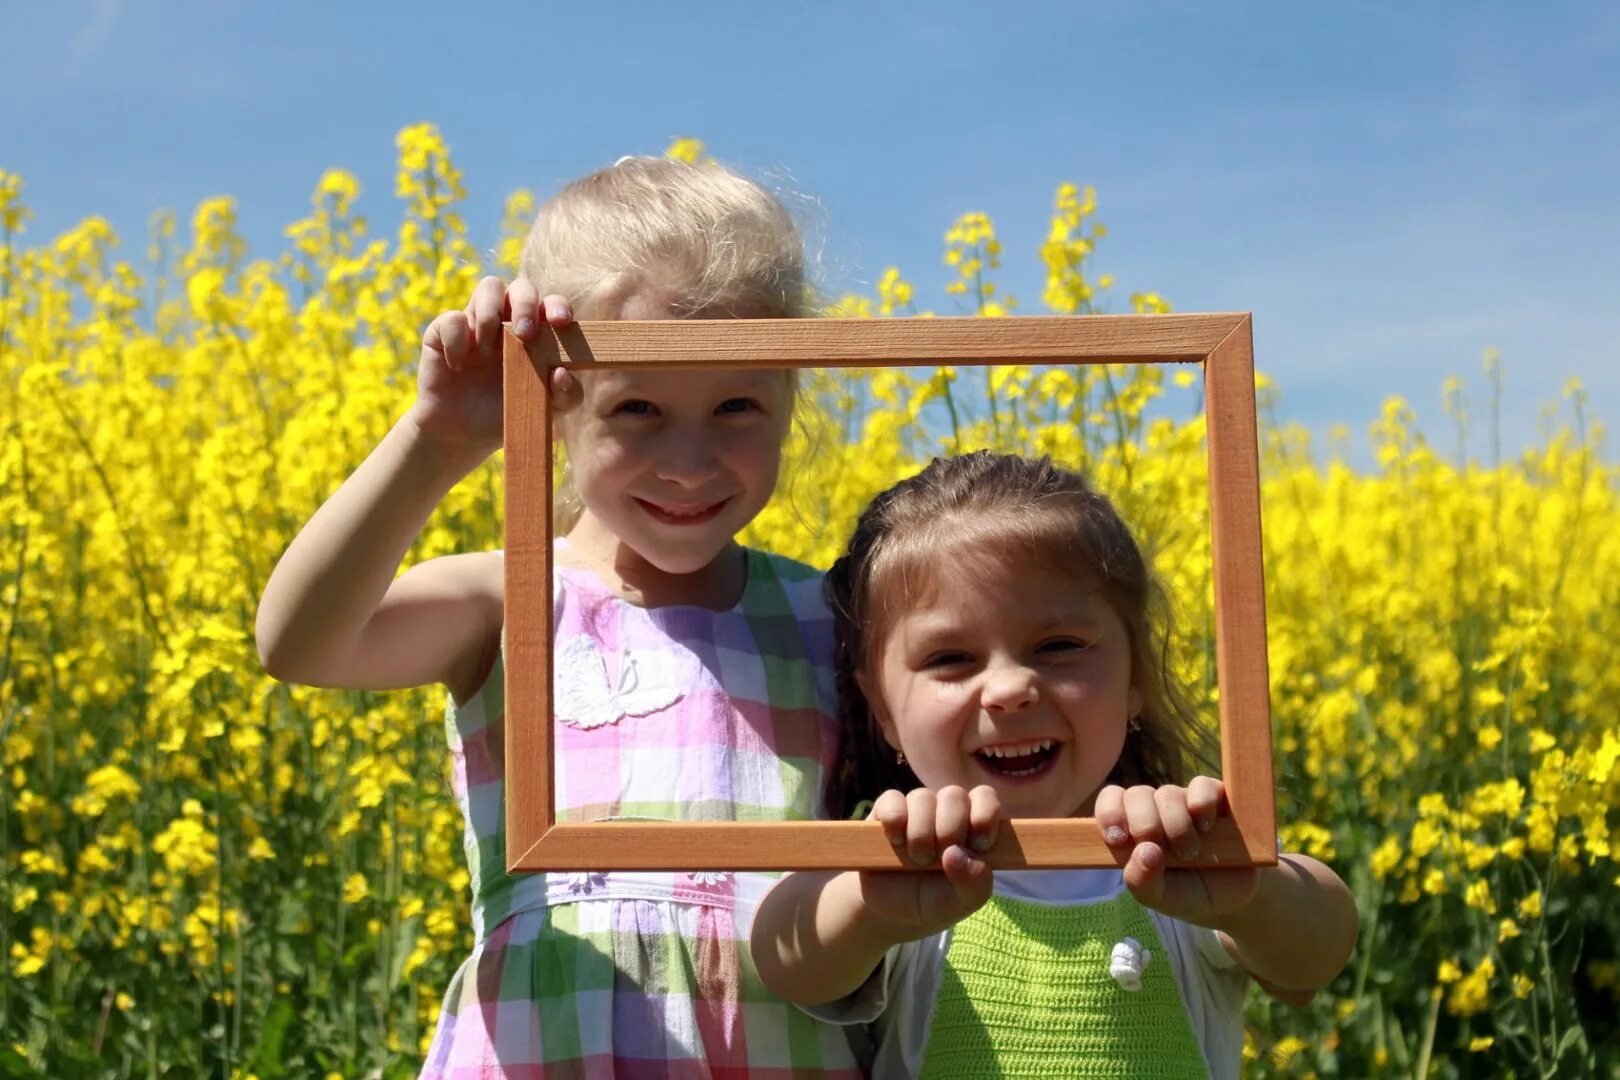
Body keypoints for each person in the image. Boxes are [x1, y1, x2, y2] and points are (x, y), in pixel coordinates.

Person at [256, 156, 865, 1077]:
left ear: (791, 398)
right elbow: (299, 643)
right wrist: (438, 438)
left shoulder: (829, 617)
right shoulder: (511, 598)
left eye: (738, 404)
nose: (690, 461)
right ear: (553, 404)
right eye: (639, 409)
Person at [750, 450, 1358, 1079]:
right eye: (951, 658)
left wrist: (1248, 897)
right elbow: (786, 959)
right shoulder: (902, 854)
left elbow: (1320, 949)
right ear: (882, 708)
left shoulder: (1177, 847)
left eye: (1059, 647)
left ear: (1134, 679)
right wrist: (871, 908)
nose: (1010, 688)